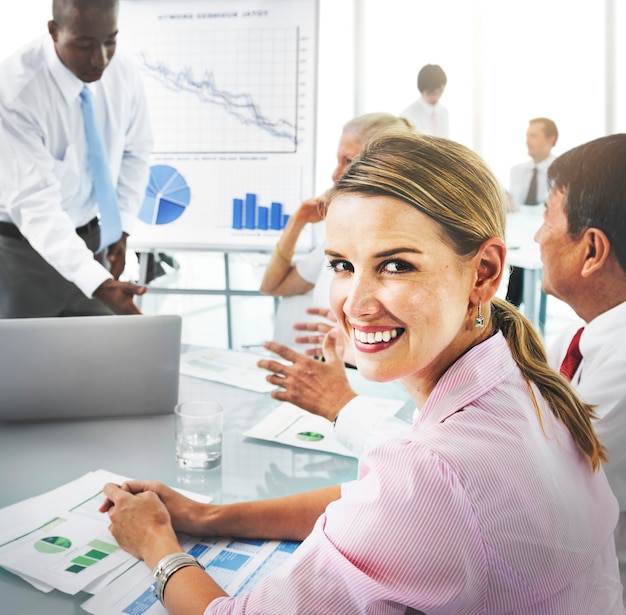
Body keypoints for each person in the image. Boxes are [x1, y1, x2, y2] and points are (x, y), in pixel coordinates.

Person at [101, 133, 623, 613]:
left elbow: (419, 492)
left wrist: (156, 544)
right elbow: (386, 496)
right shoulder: (527, 383)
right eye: (342, 265)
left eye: (395, 265)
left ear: (483, 273)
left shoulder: (432, 478)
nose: (355, 303)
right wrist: (210, 516)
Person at [0, 0, 152, 318]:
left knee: (97, 357)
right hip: (20, 254)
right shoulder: (14, 92)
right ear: (54, 31)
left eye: (110, 40)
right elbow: (34, 205)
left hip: (91, 243)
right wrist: (100, 284)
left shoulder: (122, 73)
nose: (100, 59)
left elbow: (135, 153)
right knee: (24, 363)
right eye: (84, 45)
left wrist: (120, 228)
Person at [534, 133, 626, 603]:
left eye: (548, 217)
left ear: (591, 250)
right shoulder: (579, 341)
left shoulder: (621, 373)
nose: (537, 236)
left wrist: (348, 412)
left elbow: (527, 501)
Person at [259, 112, 414, 350]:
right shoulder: (340, 239)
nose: (335, 174)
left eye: (348, 161)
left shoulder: (409, 243)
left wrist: (354, 343)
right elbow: (274, 286)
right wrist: (297, 221)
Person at [505, 117, 558, 307]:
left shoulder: (561, 172)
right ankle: (513, 309)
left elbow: (550, 210)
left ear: (551, 139)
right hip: (519, 238)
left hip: (542, 237)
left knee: (520, 272)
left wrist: (519, 209)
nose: (528, 140)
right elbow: (516, 209)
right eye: (527, 135)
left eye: (534, 136)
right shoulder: (517, 170)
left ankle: (512, 308)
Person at [399, 63, 449, 138]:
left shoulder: (443, 111)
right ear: (421, 90)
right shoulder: (408, 115)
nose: (436, 97)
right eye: (431, 93)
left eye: (440, 91)